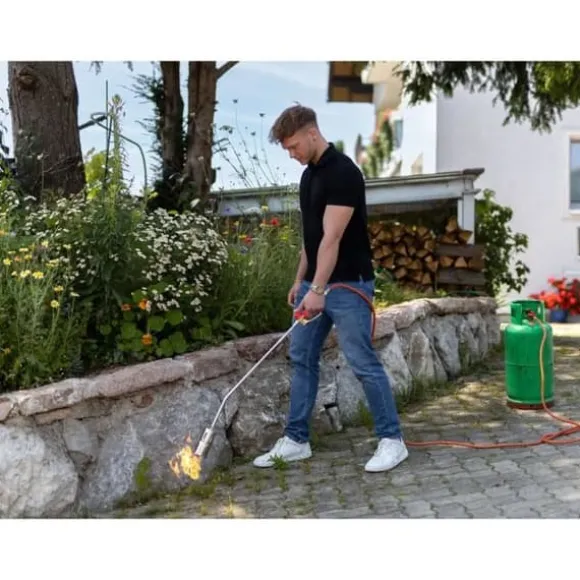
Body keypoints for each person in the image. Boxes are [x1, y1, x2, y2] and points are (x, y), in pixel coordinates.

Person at [252, 104, 408, 473]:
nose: (291, 154)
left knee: (361, 361)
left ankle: (392, 441)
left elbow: (333, 238)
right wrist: (300, 280)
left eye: (293, 146)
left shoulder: (344, 173)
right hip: (317, 283)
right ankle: (296, 440)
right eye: (287, 149)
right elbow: (312, 238)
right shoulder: (309, 177)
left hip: (348, 284)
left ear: (312, 133)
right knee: (302, 356)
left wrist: (318, 289)